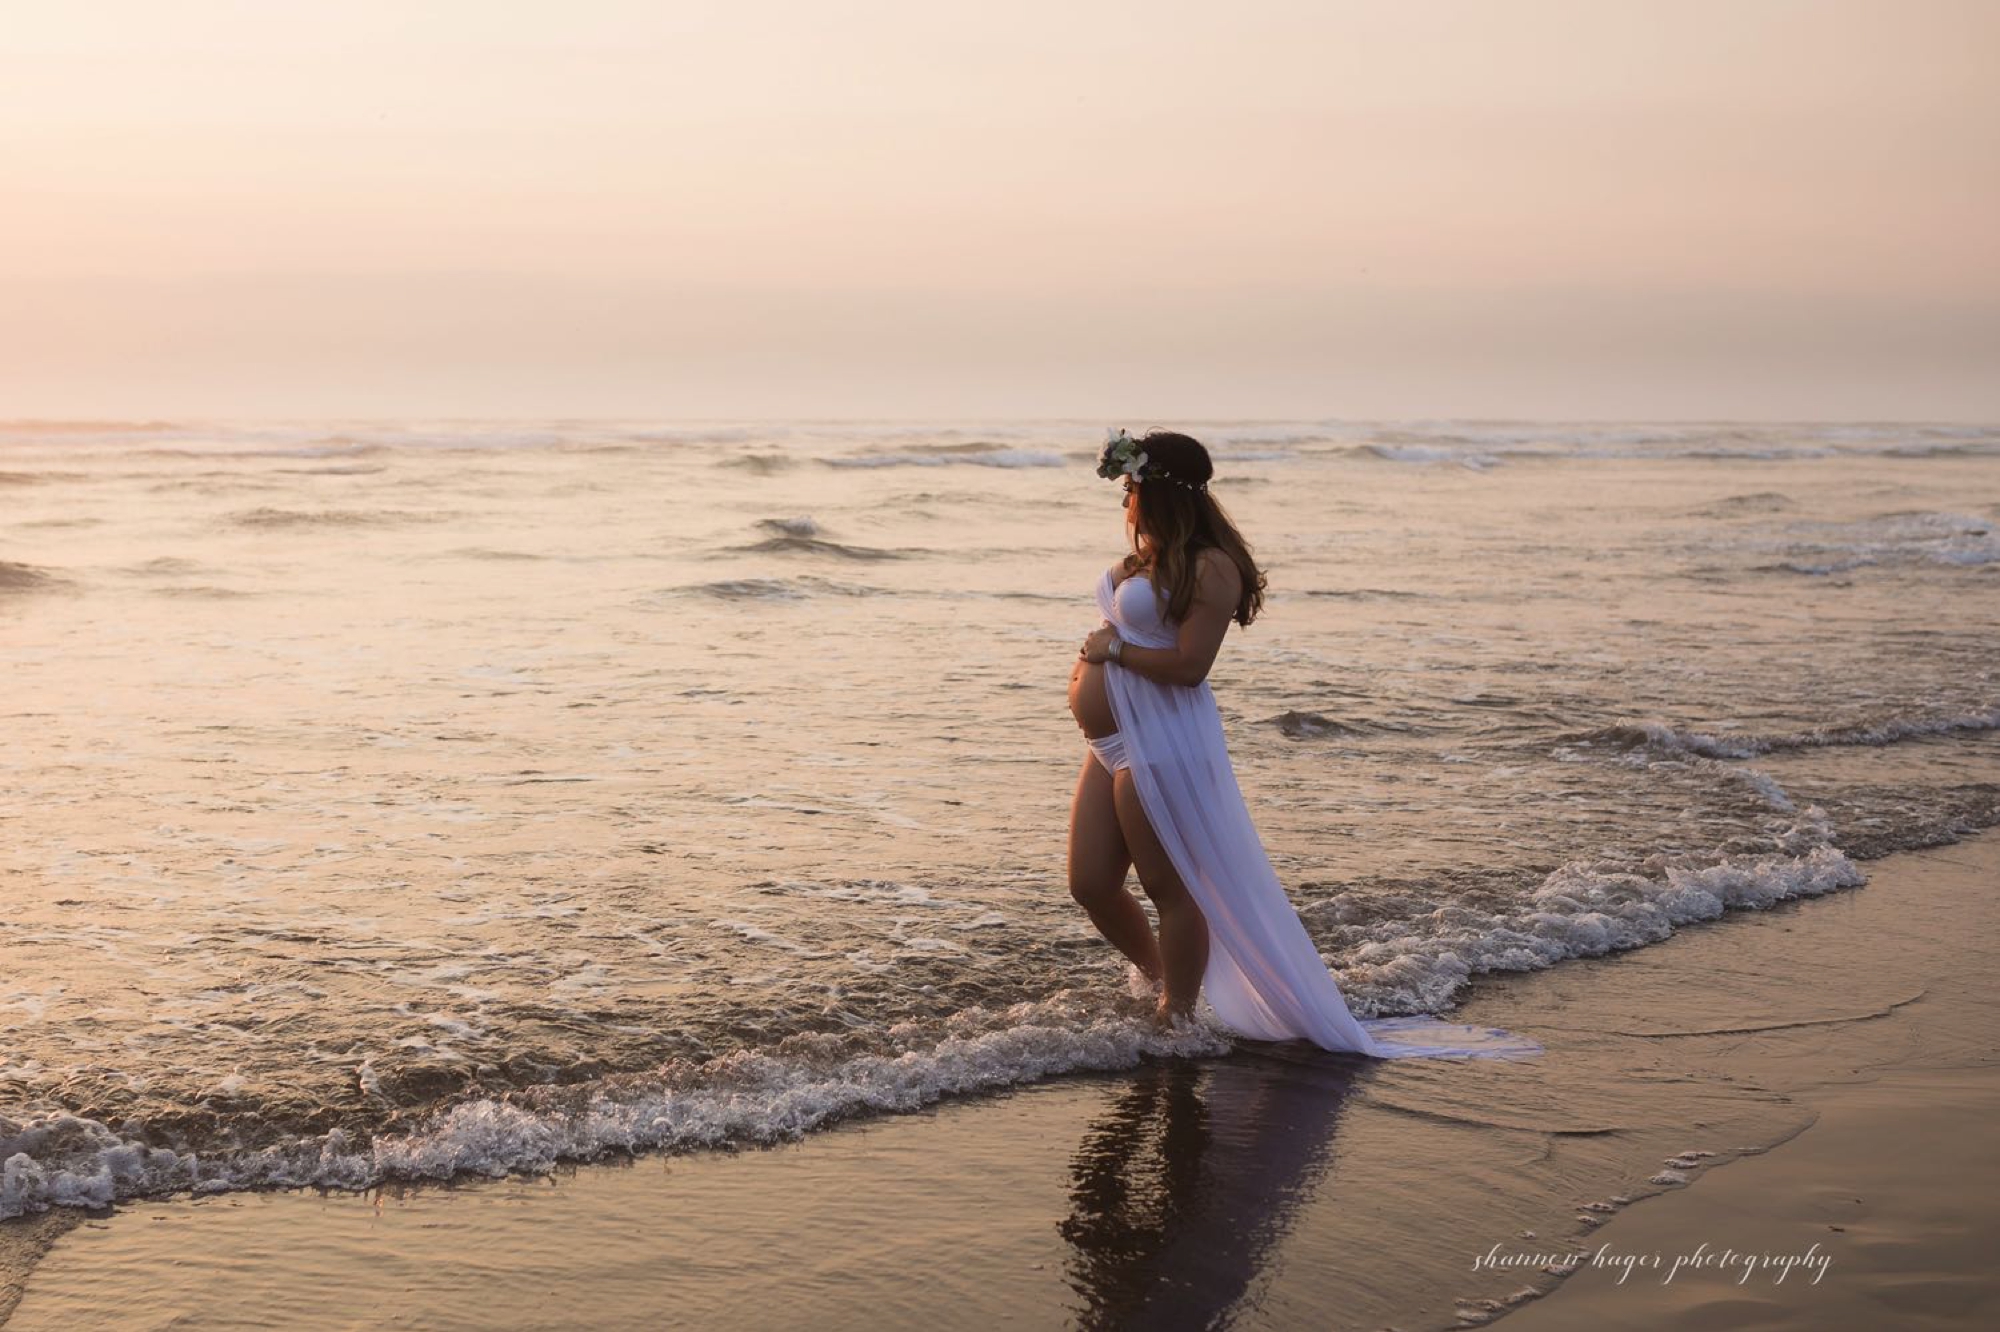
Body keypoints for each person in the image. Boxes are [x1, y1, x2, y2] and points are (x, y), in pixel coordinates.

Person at [1065, 428, 1542, 1060]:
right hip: (1114, 742)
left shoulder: (1212, 566)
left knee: (1171, 891)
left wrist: (1115, 649)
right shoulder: (1153, 558)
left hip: (1161, 742)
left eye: (1131, 487)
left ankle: (1174, 1018)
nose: (1125, 500)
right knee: (1090, 884)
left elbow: (1189, 666)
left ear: (1160, 490)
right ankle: (1160, 978)